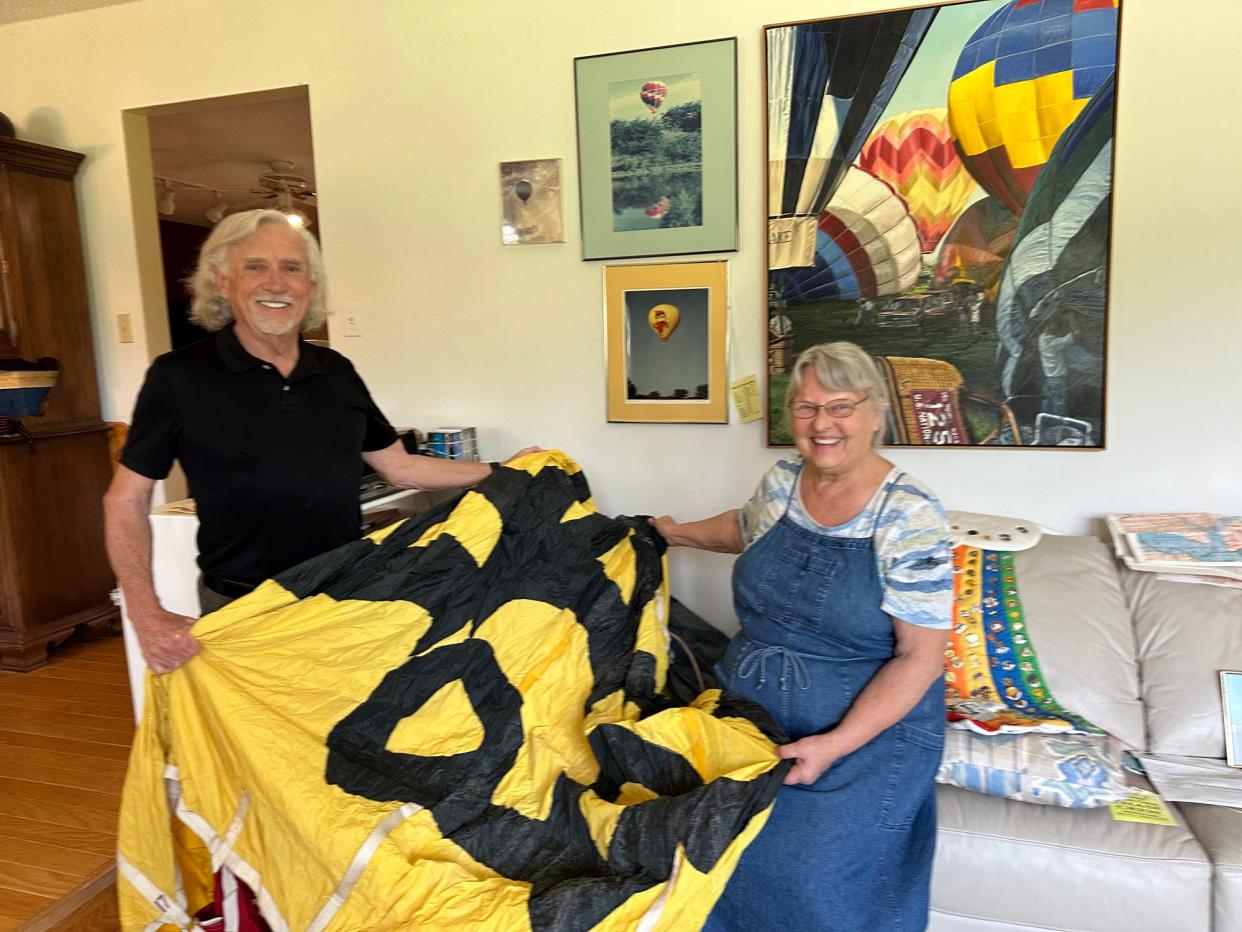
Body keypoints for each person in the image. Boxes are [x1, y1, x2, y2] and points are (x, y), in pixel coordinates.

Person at [104, 209, 537, 675]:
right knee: (257, 746)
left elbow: (400, 467)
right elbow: (125, 500)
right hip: (245, 612)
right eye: (255, 267)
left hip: (343, 601)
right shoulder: (179, 377)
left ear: (310, 286)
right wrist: (145, 615)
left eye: (291, 268)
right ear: (221, 280)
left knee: (345, 741)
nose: (276, 283)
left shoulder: (336, 372)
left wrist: (505, 471)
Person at [649, 341, 952, 931]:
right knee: (696, 854)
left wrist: (834, 745)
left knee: (804, 875)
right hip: (746, 717)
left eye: (840, 406)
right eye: (807, 408)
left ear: (874, 413)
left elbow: (920, 658)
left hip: (861, 739)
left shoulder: (910, 514)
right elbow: (742, 528)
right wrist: (672, 533)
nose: (823, 424)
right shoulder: (783, 482)